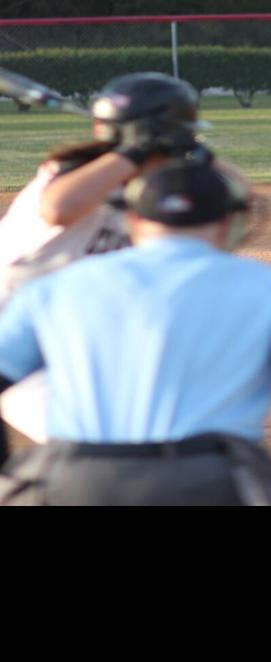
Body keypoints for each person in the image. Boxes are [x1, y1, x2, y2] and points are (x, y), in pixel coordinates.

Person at [0, 160, 271, 505]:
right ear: (228, 221)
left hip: (75, 478)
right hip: (210, 478)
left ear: (133, 220)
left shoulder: (55, 287)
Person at [1, 71, 216, 447]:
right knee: (99, 447)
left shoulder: (151, 186)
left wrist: (199, 159)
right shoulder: (70, 176)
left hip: (75, 341)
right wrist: (132, 152)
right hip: (16, 343)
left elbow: (237, 199)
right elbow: (60, 209)